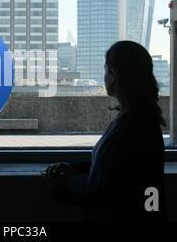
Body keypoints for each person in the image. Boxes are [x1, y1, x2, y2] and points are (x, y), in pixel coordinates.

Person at [42, 41, 167, 221]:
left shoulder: (132, 126)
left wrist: (59, 192)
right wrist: (73, 168)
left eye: (106, 70)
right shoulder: (139, 120)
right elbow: (113, 164)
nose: (104, 76)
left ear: (114, 75)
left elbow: (107, 197)